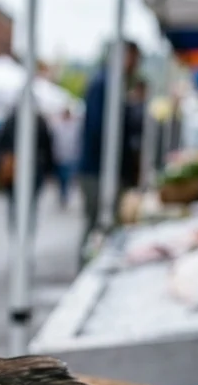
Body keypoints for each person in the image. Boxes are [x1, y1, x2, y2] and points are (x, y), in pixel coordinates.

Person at [80, 41, 140, 243]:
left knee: (98, 224)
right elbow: (100, 130)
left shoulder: (110, 83)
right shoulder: (104, 83)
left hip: (101, 169)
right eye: (134, 58)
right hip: (98, 170)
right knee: (97, 225)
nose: (135, 65)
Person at [0, 104, 54, 231]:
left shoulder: (11, 120)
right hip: (33, 168)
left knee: (13, 202)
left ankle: (16, 231)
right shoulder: (39, 120)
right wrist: (49, 170)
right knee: (31, 204)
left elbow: (1, 146)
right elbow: (48, 147)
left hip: (14, 167)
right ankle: (27, 231)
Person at [51, 107, 81, 208]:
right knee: (62, 179)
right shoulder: (58, 127)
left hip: (71, 156)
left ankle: (65, 196)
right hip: (61, 156)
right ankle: (63, 196)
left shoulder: (74, 127)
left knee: (67, 178)